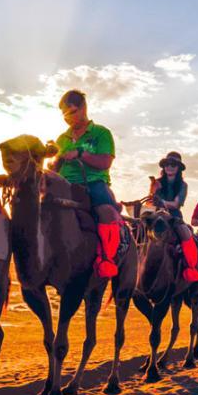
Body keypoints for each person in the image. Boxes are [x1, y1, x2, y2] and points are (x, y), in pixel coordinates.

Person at [50, 90, 124, 278]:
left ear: (84, 108)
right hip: (65, 186)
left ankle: (107, 259)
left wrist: (80, 154)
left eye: (73, 112)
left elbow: (105, 162)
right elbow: (54, 169)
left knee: (107, 212)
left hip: (93, 184)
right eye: (65, 115)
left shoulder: (101, 133)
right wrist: (53, 159)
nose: (69, 119)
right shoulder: (62, 139)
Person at [148, 151, 198, 282]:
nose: (169, 167)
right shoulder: (157, 182)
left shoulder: (183, 185)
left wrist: (163, 202)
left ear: (178, 168)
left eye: (173, 165)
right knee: (137, 229)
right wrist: (154, 192)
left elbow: (176, 204)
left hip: (173, 216)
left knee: (185, 235)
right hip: (157, 213)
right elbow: (150, 201)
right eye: (167, 164)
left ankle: (191, 268)